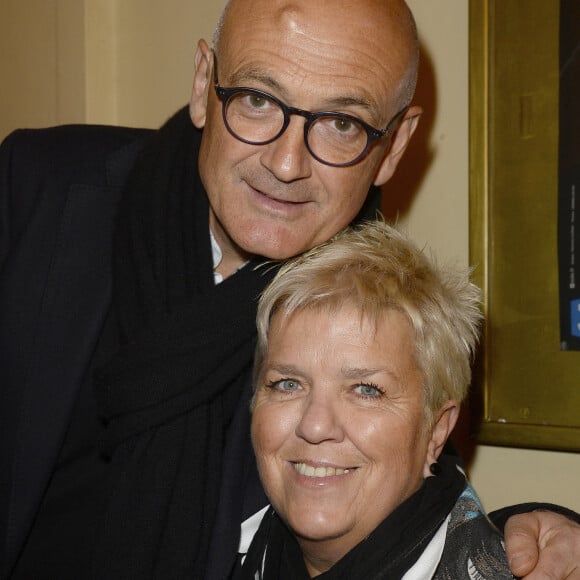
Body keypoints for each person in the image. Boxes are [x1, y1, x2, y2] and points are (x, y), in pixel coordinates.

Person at [0, 0, 578, 578]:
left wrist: (523, 536)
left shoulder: (369, 312)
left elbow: (401, 496)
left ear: (394, 145)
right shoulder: (36, 190)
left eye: (341, 123)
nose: (285, 162)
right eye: (256, 99)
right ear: (205, 83)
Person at [245, 219, 511, 578]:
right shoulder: (217, 548)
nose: (315, 425)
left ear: (436, 430)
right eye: (288, 384)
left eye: (366, 390)